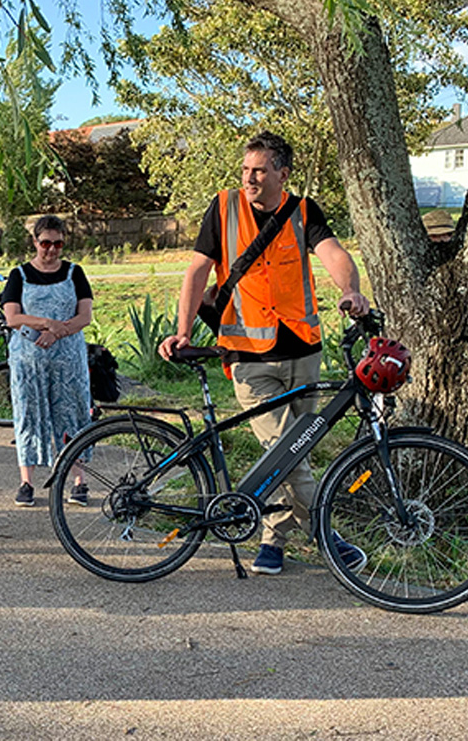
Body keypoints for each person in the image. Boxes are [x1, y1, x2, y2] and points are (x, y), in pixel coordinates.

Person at [158, 130, 370, 576]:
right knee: (283, 448)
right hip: (248, 356)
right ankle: (327, 538)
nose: (249, 178)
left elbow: (333, 253)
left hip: (303, 350)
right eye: (245, 170)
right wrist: (182, 331)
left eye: (259, 170)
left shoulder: (304, 211)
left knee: (295, 452)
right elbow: (197, 271)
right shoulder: (223, 208)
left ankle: (273, 540)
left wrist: (350, 290)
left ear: (282, 174)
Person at [0, 215, 93, 508]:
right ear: (35, 242)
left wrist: (58, 332)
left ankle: (79, 481)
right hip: (29, 361)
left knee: (72, 413)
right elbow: (12, 317)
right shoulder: (19, 275)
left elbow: (85, 316)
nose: (51, 250)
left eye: (58, 244)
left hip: (68, 360)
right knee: (28, 413)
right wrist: (46, 324)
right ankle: (26, 482)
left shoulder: (75, 273)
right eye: (45, 243)